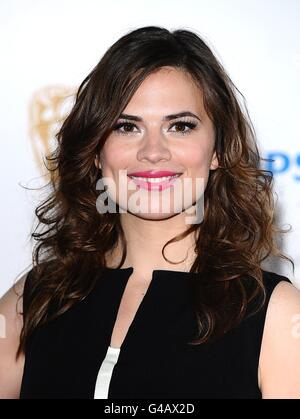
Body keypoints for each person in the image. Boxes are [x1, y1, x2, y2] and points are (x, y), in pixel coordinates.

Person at [1, 25, 300, 399]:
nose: (153, 151)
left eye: (180, 126)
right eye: (127, 126)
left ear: (218, 149)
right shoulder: (35, 299)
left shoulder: (276, 314)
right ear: (96, 149)